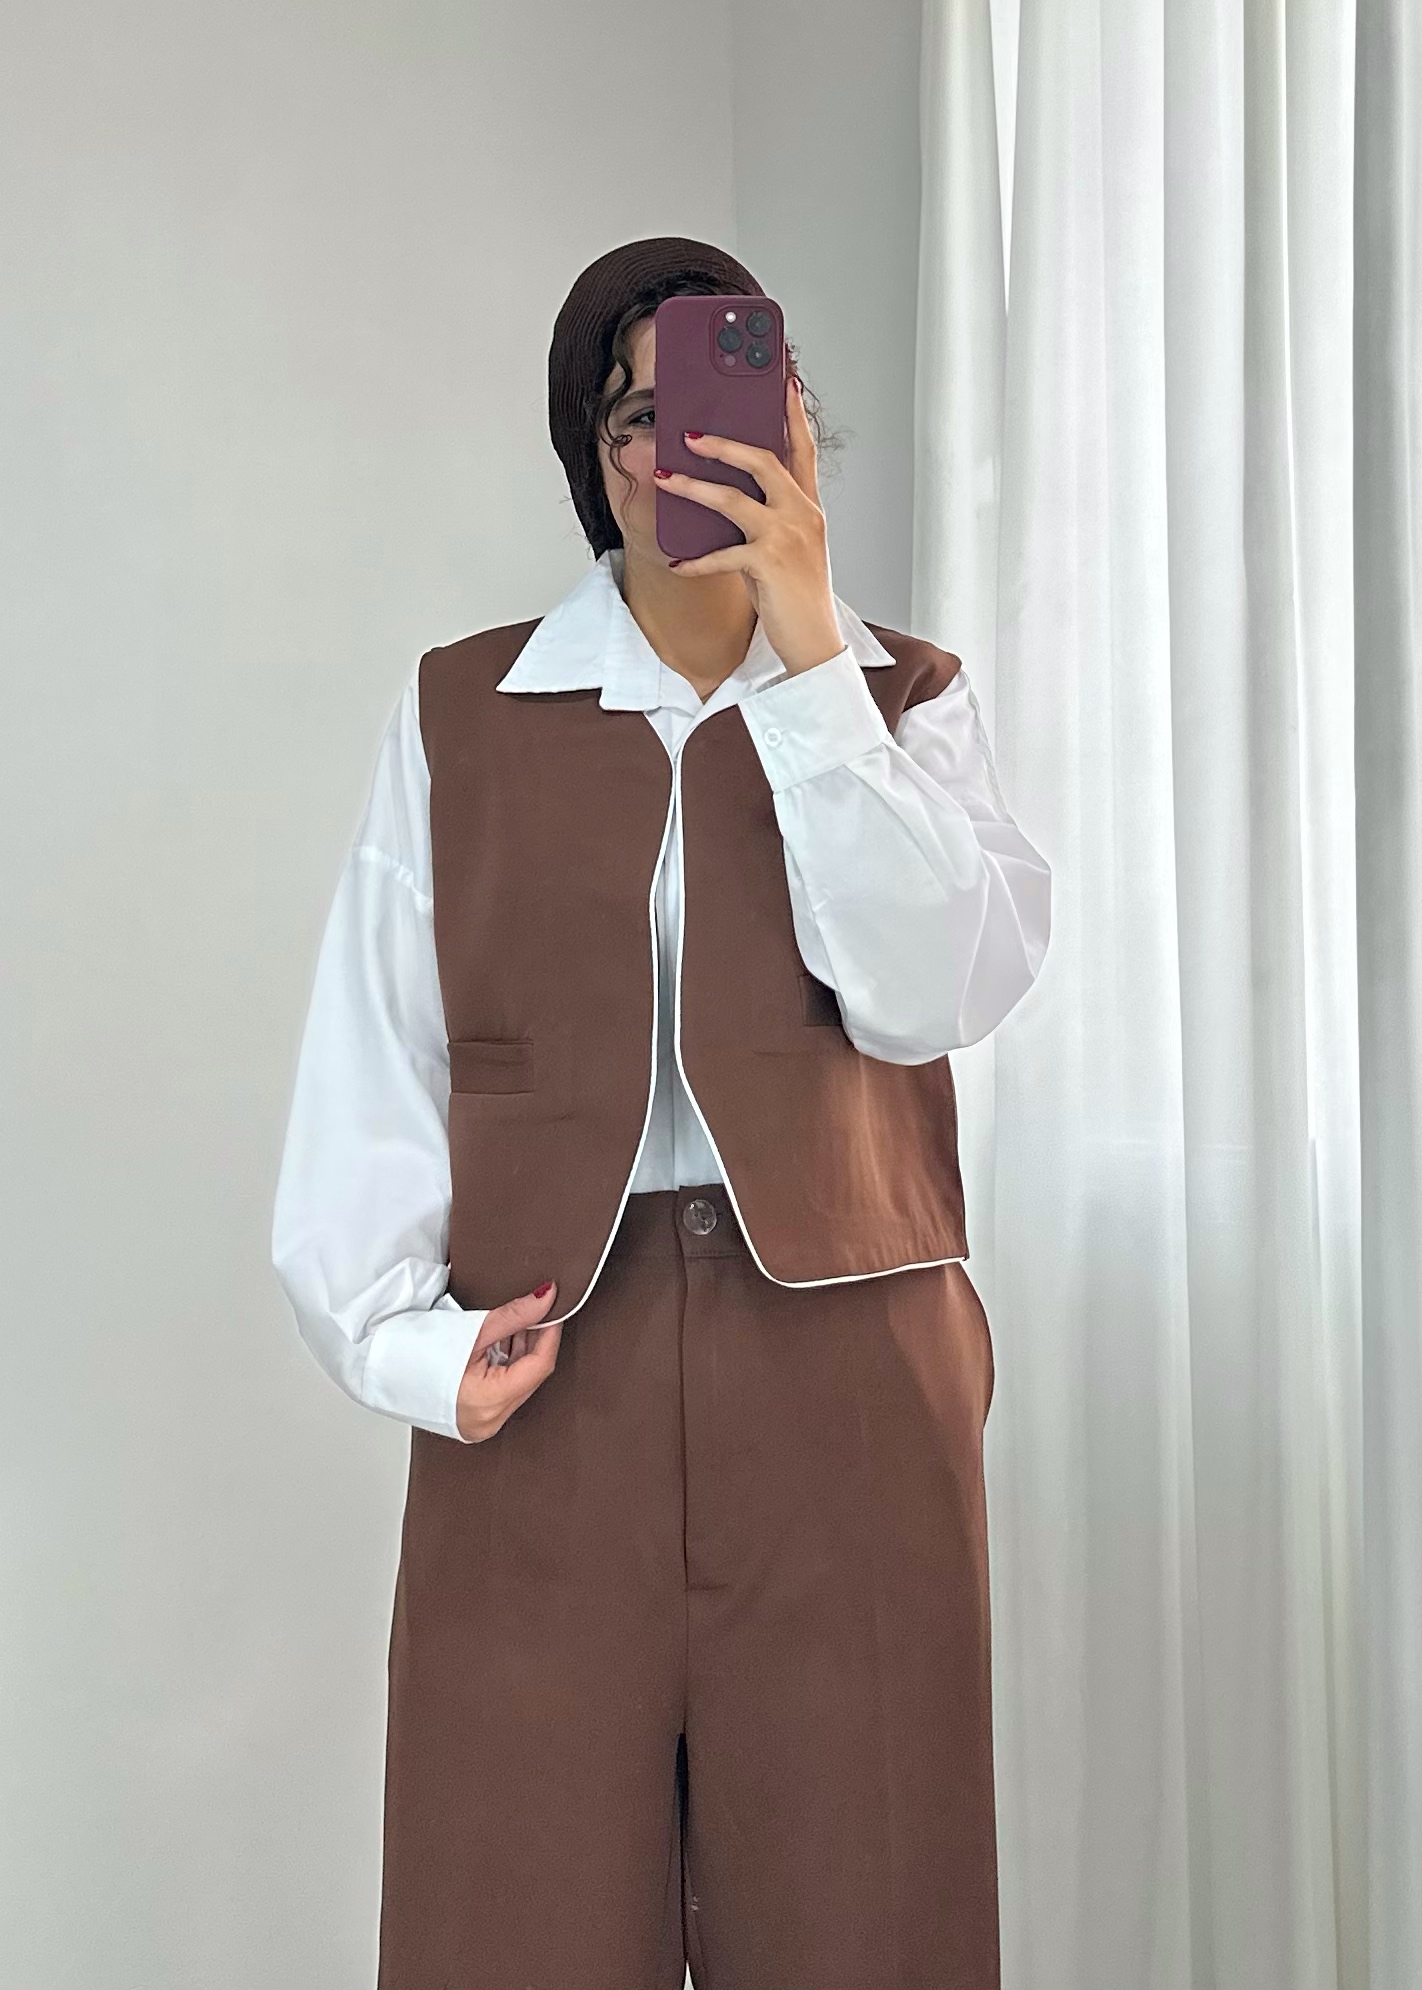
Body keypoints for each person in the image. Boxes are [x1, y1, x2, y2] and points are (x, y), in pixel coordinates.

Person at [271, 234, 1051, 1990]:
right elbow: (376, 1050)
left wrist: (811, 668)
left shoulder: (904, 700)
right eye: (630, 415)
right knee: (509, 1920)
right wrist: (409, 1346)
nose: (674, 443)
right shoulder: (466, 710)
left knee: (867, 1917)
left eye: (722, 394)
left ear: (794, 425)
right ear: (595, 463)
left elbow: (930, 992)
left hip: (853, 1387)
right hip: (547, 1382)